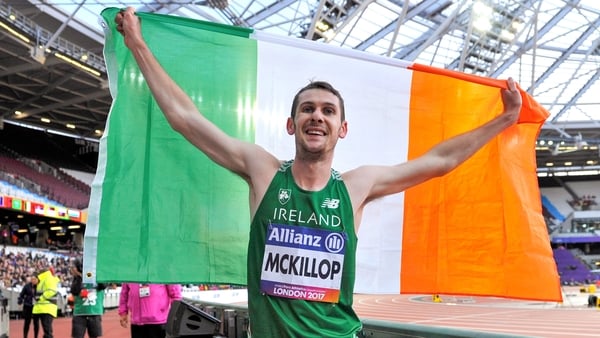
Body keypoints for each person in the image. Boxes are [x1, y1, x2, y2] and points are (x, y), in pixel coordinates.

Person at [115, 7, 523, 337]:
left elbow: (439, 162)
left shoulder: (356, 187)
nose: (317, 116)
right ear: (291, 124)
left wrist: (504, 121)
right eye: (307, 109)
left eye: (328, 111)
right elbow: (185, 119)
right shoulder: (263, 172)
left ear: (342, 129)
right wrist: (136, 43)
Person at [118, 283, 182, 338]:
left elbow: (176, 295)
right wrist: (123, 312)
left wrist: (175, 315)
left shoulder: (164, 270)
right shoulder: (131, 271)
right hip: (137, 322)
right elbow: (124, 293)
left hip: (158, 322)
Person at [70, 258, 106, 338]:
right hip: (80, 313)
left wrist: (95, 272)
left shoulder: (97, 276)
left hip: (94, 312)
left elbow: (103, 285)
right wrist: (79, 276)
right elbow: (74, 291)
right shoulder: (77, 278)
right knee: (77, 336)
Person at [32, 267, 59, 338]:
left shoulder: (48, 278)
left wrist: (41, 298)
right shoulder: (44, 279)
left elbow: (51, 291)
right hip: (43, 308)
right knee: (46, 330)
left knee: (47, 331)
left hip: (47, 307)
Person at [18, 273, 40, 338]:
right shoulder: (27, 286)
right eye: (32, 279)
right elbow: (21, 295)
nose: (33, 280)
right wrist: (20, 301)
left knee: (36, 323)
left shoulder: (39, 286)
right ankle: (25, 336)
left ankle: (36, 336)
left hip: (36, 307)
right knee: (27, 323)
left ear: (37, 279)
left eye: (34, 279)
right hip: (28, 306)